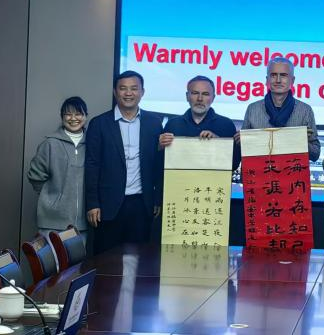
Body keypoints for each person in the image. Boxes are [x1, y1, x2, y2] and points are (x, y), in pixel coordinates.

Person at [84, 71, 163, 254]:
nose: (128, 93)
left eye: (134, 88)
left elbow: (158, 165)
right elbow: (92, 165)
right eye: (123, 88)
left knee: (139, 259)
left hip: (141, 204)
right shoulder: (99, 124)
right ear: (115, 92)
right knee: (105, 260)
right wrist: (92, 203)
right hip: (107, 205)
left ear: (142, 92)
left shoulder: (153, 123)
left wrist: (157, 199)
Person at [27, 97, 89, 244]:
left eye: (78, 114)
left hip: (83, 222)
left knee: (78, 259)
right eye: (68, 114)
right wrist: (52, 199)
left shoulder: (93, 143)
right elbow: (35, 176)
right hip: (52, 222)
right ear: (62, 117)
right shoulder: (50, 143)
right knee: (52, 259)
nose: (73, 118)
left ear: (85, 116)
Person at [240, 57, 320, 162]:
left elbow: (315, 154)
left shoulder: (305, 110)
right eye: (273, 75)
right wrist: (241, 141)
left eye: (283, 75)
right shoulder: (253, 109)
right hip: (260, 170)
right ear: (267, 80)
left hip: (292, 170)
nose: (278, 80)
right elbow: (243, 151)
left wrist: (299, 140)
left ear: (292, 80)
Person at [159, 75, 240, 170]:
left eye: (205, 94)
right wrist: (159, 146)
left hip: (212, 180)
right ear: (187, 96)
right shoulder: (172, 124)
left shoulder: (226, 125)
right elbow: (159, 164)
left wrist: (218, 144)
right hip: (178, 179)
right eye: (195, 93)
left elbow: (234, 165)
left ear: (213, 98)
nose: (200, 99)